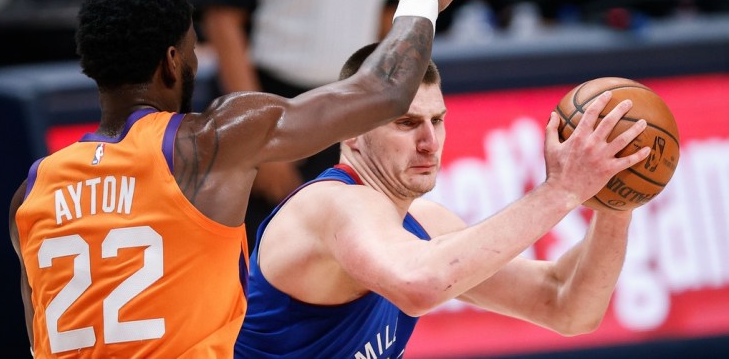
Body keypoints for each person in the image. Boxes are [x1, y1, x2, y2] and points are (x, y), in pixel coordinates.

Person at [7, 0, 504, 357]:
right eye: (191, 49)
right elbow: (388, 91)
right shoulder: (205, 144)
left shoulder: (32, 192)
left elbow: (39, 336)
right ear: (173, 61)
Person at [234, 42, 652, 357]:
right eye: (407, 123)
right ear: (351, 131)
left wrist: (618, 197)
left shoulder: (421, 225)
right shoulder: (331, 205)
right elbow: (420, 285)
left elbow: (568, 307)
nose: (429, 142)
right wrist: (563, 189)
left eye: (438, 120)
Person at [203, 0, 410, 250]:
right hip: (268, 101)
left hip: (345, 106)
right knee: (254, 253)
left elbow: (385, 20)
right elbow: (223, 20)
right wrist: (257, 139)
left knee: (330, 257)